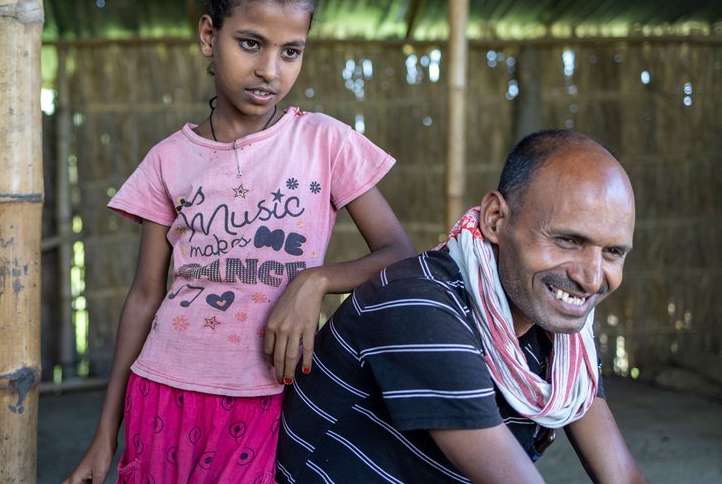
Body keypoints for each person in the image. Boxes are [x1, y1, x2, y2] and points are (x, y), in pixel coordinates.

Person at [64, 0, 415, 484]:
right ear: (209, 36)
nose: (269, 70)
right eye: (250, 43)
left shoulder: (324, 143)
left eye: (291, 51)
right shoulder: (168, 160)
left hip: (268, 396)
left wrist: (314, 281)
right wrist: (103, 435)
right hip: (160, 392)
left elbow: (398, 254)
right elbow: (143, 297)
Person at [277, 130, 649, 483]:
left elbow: (621, 475)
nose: (591, 277)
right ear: (495, 219)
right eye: (568, 240)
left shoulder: (565, 338)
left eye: (613, 252)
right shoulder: (419, 305)